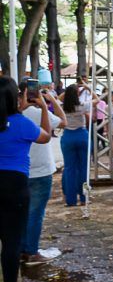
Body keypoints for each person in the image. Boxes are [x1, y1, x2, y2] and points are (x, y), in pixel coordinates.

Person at [0, 76, 51, 282]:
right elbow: (46, 137)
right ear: (15, 98)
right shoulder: (21, 123)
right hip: (15, 184)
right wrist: (42, 108)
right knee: (12, 241)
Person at [19, 83, 64, 266]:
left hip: (19, 170)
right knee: (36, 213)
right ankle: (31, 251)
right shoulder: (39, 113)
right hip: (41, 170)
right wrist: (48, 102)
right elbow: (62, 122)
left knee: (21, 213)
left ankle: (22, 248)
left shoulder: (11, 116)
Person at [60, 84, 91, 206]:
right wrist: (87, 88)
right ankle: (84, 198)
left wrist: (68, 92)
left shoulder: (62, 106)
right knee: (83, 168)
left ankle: (70, 200)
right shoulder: (82, 106)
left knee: (69, 169)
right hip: (82, 135)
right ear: (77, 94)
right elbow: (97, 99)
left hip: (68, 136)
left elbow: (58, 97)